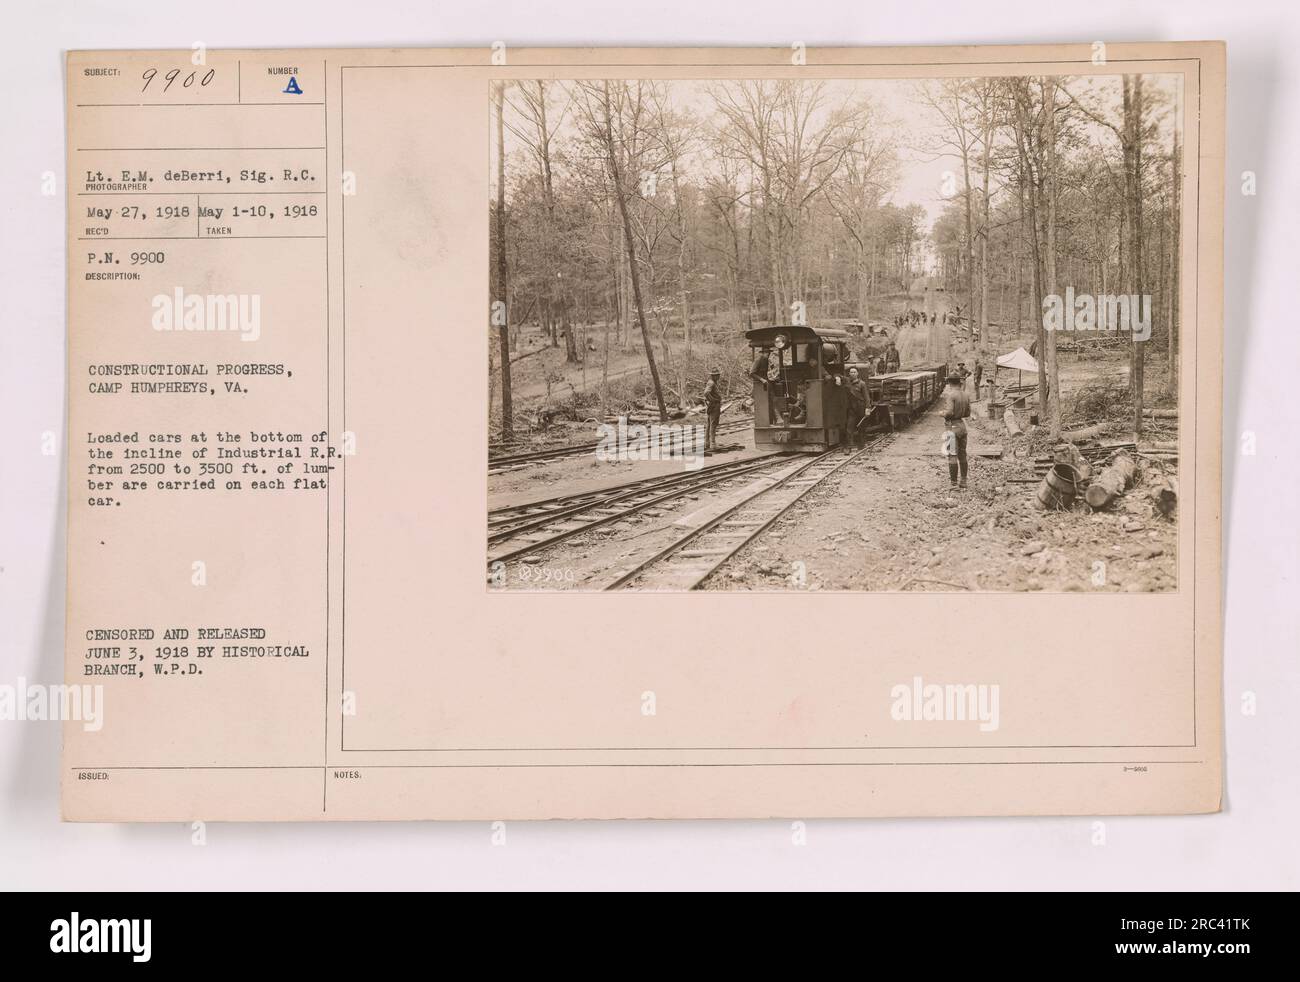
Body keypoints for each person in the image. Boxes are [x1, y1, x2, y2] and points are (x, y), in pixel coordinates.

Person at [939, 372, 971, 489]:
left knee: (952, 455)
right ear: (959, 382)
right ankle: (963, 481)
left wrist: (942, 413)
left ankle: (953, 483)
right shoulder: (965, 395)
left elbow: (950, 412)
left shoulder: (951, 395)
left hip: (952, 427)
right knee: (962, 455)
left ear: (949, 383)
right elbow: (967, 413)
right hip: (962, 426)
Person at [844, 366, 870, 447]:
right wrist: (837, 378)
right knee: (849, 427)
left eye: (854, 372)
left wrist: (867, 408)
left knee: (861, 427)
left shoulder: (862, 384)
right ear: (849, 374)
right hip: (852, 408)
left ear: (857, 373)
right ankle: (850, 445)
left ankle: (862, 444)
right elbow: (839, 376)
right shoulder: (848, 382)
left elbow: (866, 397)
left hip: (861, 407)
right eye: (851, 372)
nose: (853, 374)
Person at [703, 367, 723, 451]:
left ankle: (707, 443)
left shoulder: (713, 382)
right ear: (713, 376)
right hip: (714, 405)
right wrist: (713, 400)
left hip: (712, 405)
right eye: (717, 375)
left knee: (709, 424)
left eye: (718, 375)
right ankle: (712, 444)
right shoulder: (711, 383)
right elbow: (706, 393)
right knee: (713, 424)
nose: (718, 376)